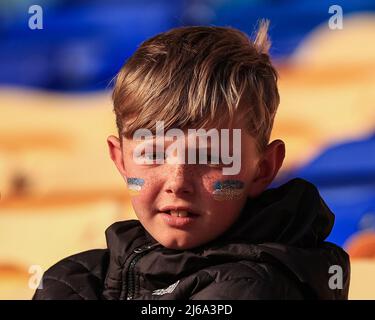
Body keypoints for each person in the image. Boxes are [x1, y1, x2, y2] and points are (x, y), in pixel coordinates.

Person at [33, 21, 350, 300]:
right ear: (120, 160)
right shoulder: (75, 278)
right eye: (153, 154)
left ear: (262, 169)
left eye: (209, 157)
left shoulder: (254, 285)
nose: (177, 182)